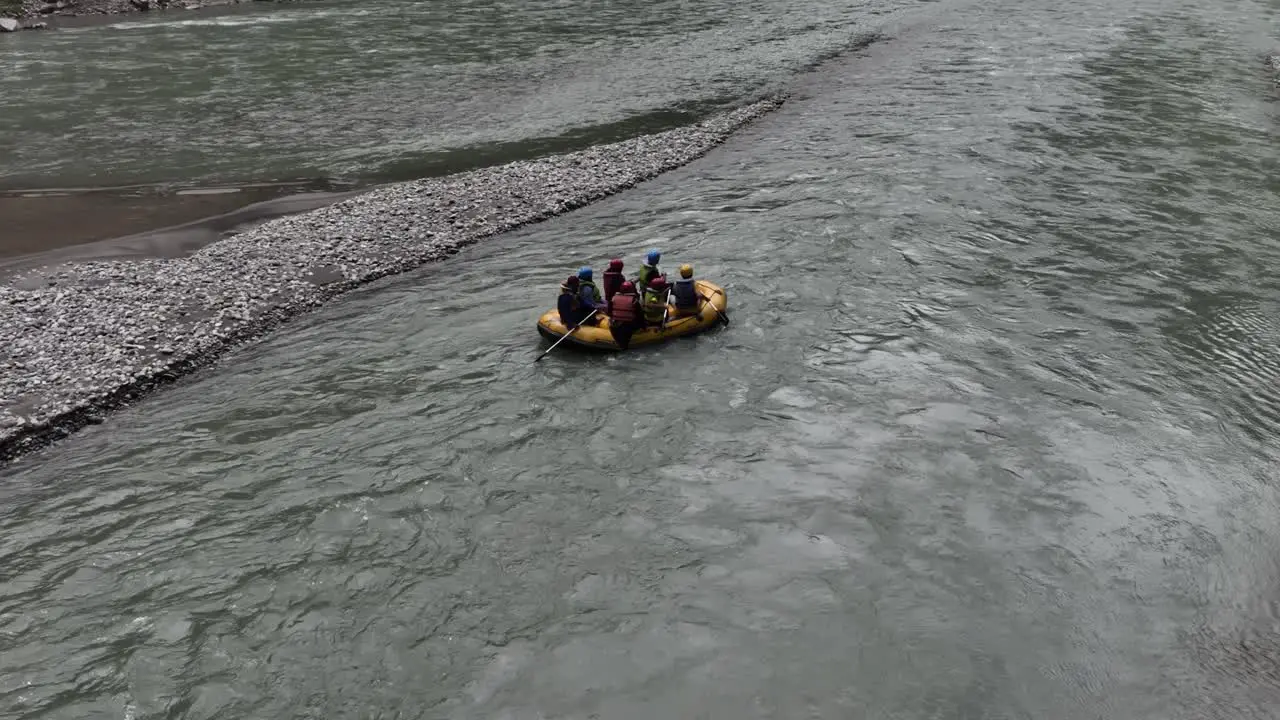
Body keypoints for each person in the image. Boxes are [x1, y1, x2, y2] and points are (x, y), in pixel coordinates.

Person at [608, 280, 643, 349]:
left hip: (614, 326)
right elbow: (640, 315)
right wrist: (644, 327)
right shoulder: (633, 300)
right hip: (628, 326)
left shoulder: (614, 298)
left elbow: (609, 312)